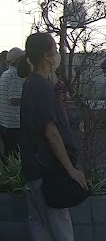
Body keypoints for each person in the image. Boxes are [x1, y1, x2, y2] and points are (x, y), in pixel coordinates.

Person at [19, 33, 87, 241]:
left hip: (34, 166)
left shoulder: (34, 83)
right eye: (55, 50)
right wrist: (71, 170)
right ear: (47, 55)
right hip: (48, 168)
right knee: (59, 224)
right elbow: (51, 131)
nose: (57, 54)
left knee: (40, 223)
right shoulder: (40, 86)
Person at [0, 47, 25, 158]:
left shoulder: (5, 74)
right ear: (17, 60)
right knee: (14, 155)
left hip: (4, 122)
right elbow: (14, 100)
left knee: (8, 153)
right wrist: (28, 99)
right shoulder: (15, 76)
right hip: (13, 123)